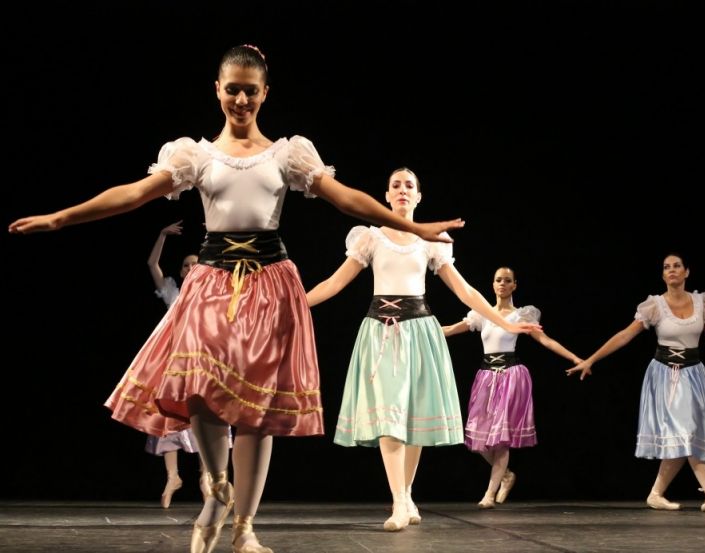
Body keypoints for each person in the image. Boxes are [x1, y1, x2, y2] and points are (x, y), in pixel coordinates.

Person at [9, 45, 464, 553]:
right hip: (212, 280)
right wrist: (60, 218)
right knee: (199, 387)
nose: (241, 99)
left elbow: (347, 198)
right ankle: (216, 484)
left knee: (256, 411)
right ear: (218, 90)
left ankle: (244, 526)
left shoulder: (286, 154)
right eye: (233, 89)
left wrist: (410, 225)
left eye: (251, 90)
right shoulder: (197, 155)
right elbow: (134, 193)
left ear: (265, 93)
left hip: (269, 282)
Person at [305, 168, 539, 532]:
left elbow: (466, 292)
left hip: (419, 331)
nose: (402, 190)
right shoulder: (371, 238)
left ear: (418, 197)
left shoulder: (431, 241)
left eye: (409, 186)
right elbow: (334, 282)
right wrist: (295, 304)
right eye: (396, 185)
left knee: (411, 421)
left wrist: (507, 323)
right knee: (388, 418)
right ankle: (399, 500)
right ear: (386, 196)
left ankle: (407, 494)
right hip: (381, 333)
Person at [566, 253, 705, 512]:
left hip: (694, 373)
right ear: (663, 275)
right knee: (687, 429)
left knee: (688, 432)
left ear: (686, 272)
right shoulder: (655, 306)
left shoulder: (701, 302)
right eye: (666, 267)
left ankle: (656, 494)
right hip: (665, 375)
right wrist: (591, 359)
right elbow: (625, 335)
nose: (672, 270)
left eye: (677, 266)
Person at [440, 266, 582, 509]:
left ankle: (489, 492)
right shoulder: (481, 314)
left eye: (507, 280)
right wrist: (420, 332)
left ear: (514, 285)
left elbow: (545, 340)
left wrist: (575, 358)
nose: (502, 284)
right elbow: (452, 329)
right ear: (493, 284)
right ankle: (506, 476)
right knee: (475, 437)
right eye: (498, 280)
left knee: (501, 440)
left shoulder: (521, 315)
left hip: (511, 376)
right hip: (486, 377)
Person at [144, 220, 214, 508]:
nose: (188, 269)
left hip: (203, 365)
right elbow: (152, 265)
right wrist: (161, 233)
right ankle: (172, 476)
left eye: (193, 265)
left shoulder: (212, 296)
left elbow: (220, 265)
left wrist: (215, 236)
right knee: (168, 419)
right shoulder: (174, 294)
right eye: (185, 266)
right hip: (174, 366)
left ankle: (206, 477)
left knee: (207, 421)